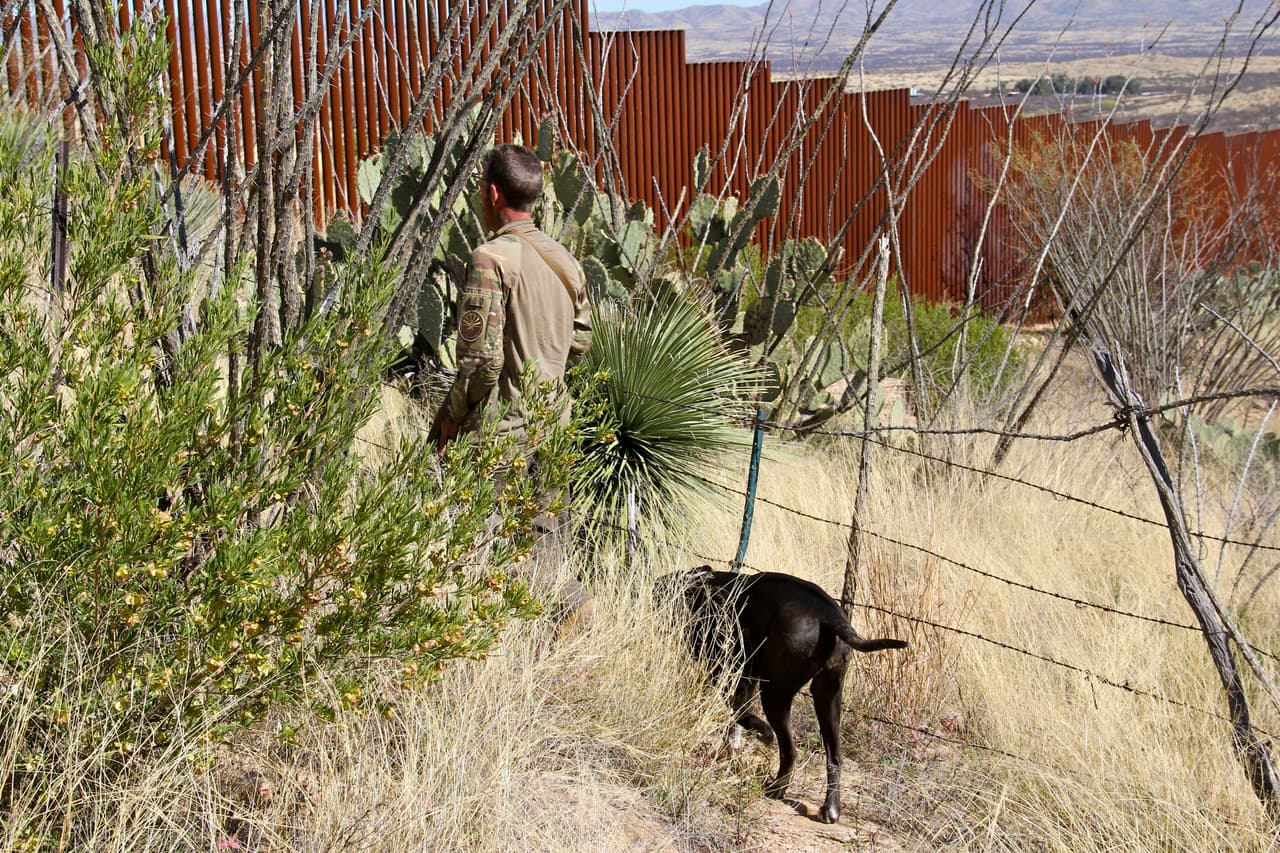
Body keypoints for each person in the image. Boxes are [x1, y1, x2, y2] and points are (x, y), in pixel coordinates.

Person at [431, 143, 594, 635]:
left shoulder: (491, 258)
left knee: (479, 534)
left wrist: (452, 416)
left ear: (492, 192)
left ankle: (483, 642)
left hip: (502, 426)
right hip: (554, 419)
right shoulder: (566, 260)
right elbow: (584, 341)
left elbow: (480, 364)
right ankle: (570, 604)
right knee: (545, 531)